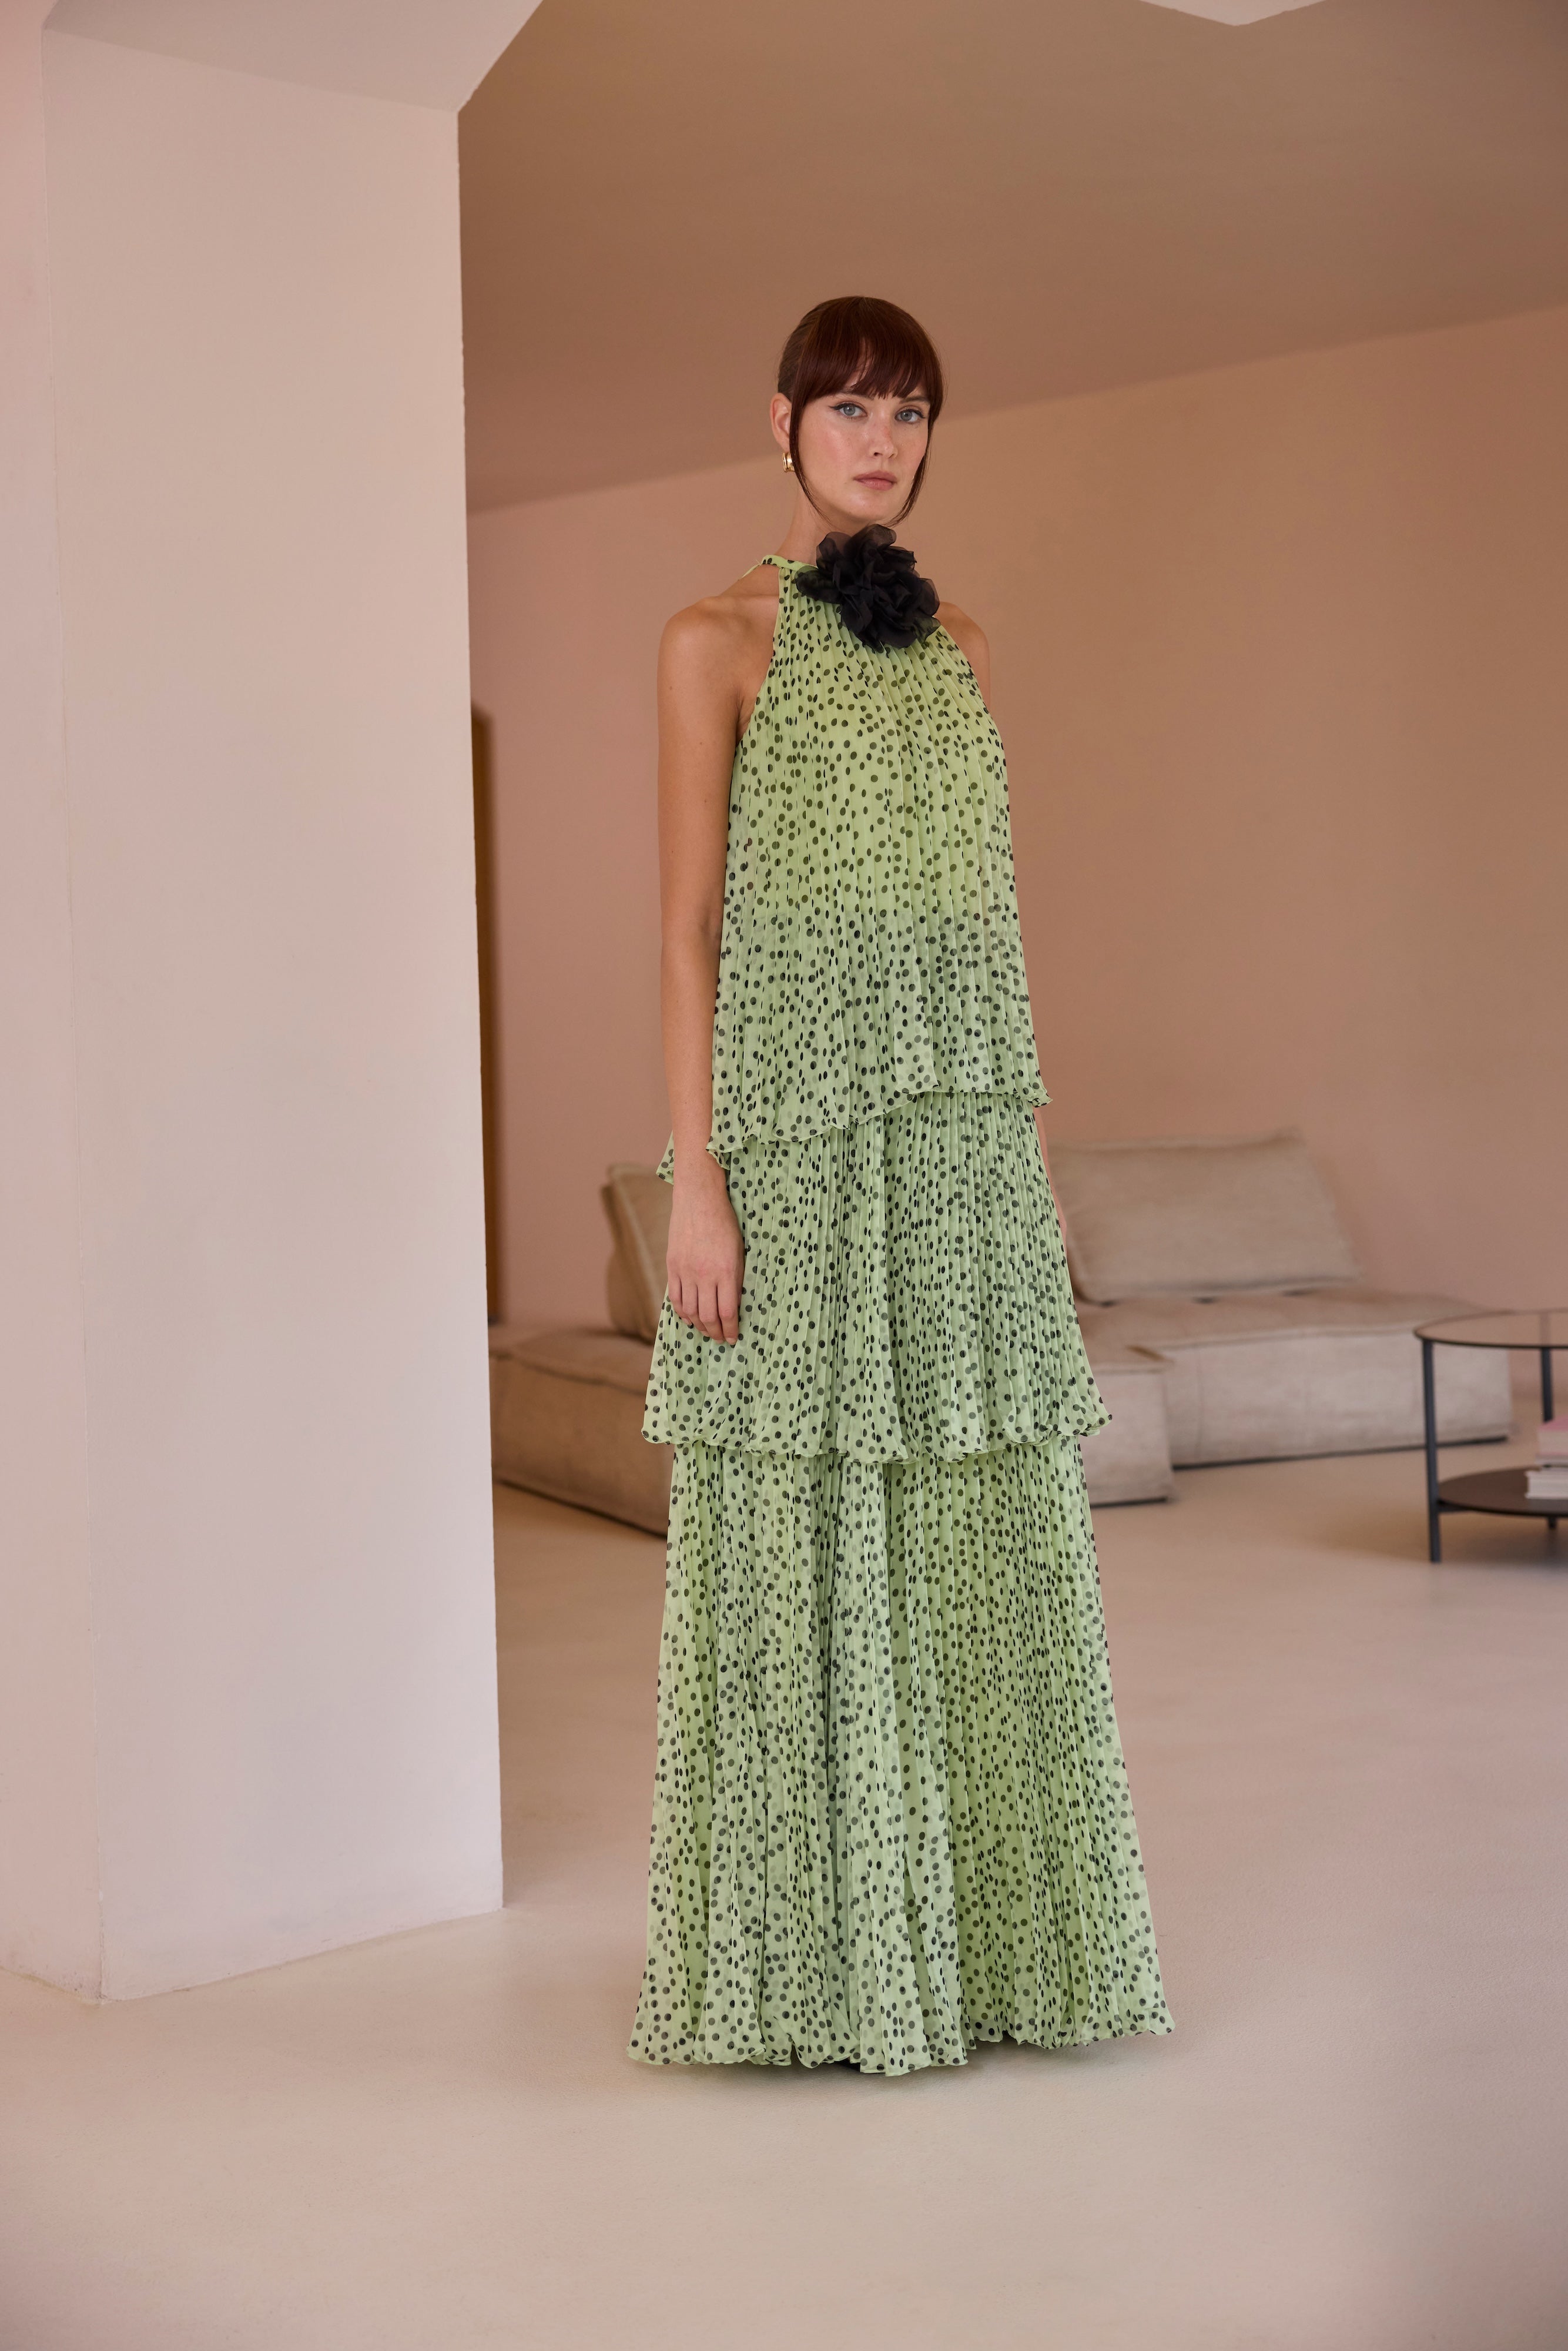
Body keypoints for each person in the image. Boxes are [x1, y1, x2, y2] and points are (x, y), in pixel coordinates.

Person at [628, 294, 1172, 2076]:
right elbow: (689, 931)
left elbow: (980, 931)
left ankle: (988, 1949)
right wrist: (695, 1184)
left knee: (975, 1532)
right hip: (792, 1146)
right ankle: (815, 1965)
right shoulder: (711, 641)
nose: (882, 439)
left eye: (911, 410)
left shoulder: (965, 646)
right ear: (780, 423)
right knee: (791, 1531)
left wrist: (1025, 1172)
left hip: (957, 1151)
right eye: (850, 406)